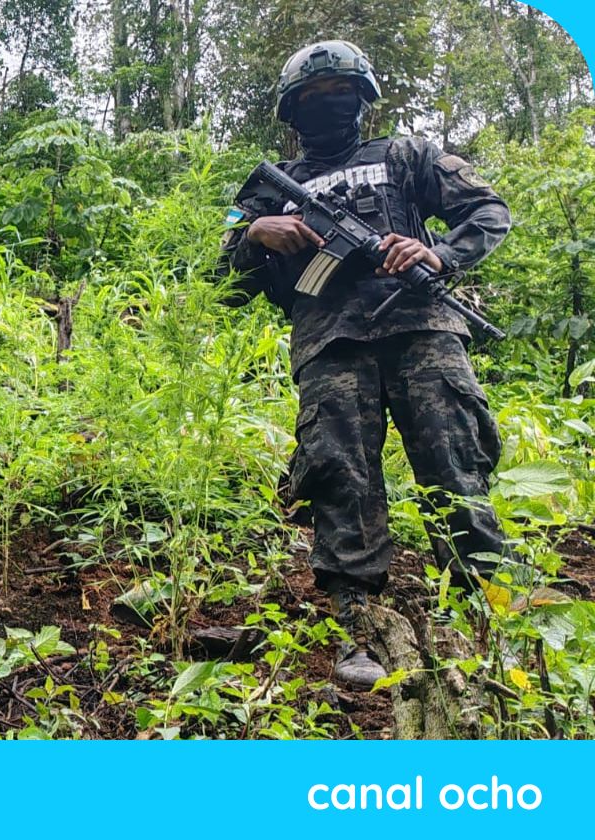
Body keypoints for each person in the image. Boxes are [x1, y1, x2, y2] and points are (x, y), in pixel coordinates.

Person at [216, 41, 512, 691]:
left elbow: (488, 212)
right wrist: (257, 234)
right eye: (315, 99)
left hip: (422, 330)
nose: (330, 108)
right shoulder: (267, 186)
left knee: (455, 467)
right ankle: (362, 627)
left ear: (363, 100)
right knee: (338, 479)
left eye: (341, 95)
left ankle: (488, 620)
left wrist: (438, 257)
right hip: (330, 342)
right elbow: (220, 267)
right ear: (292, 111)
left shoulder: (408, 156)